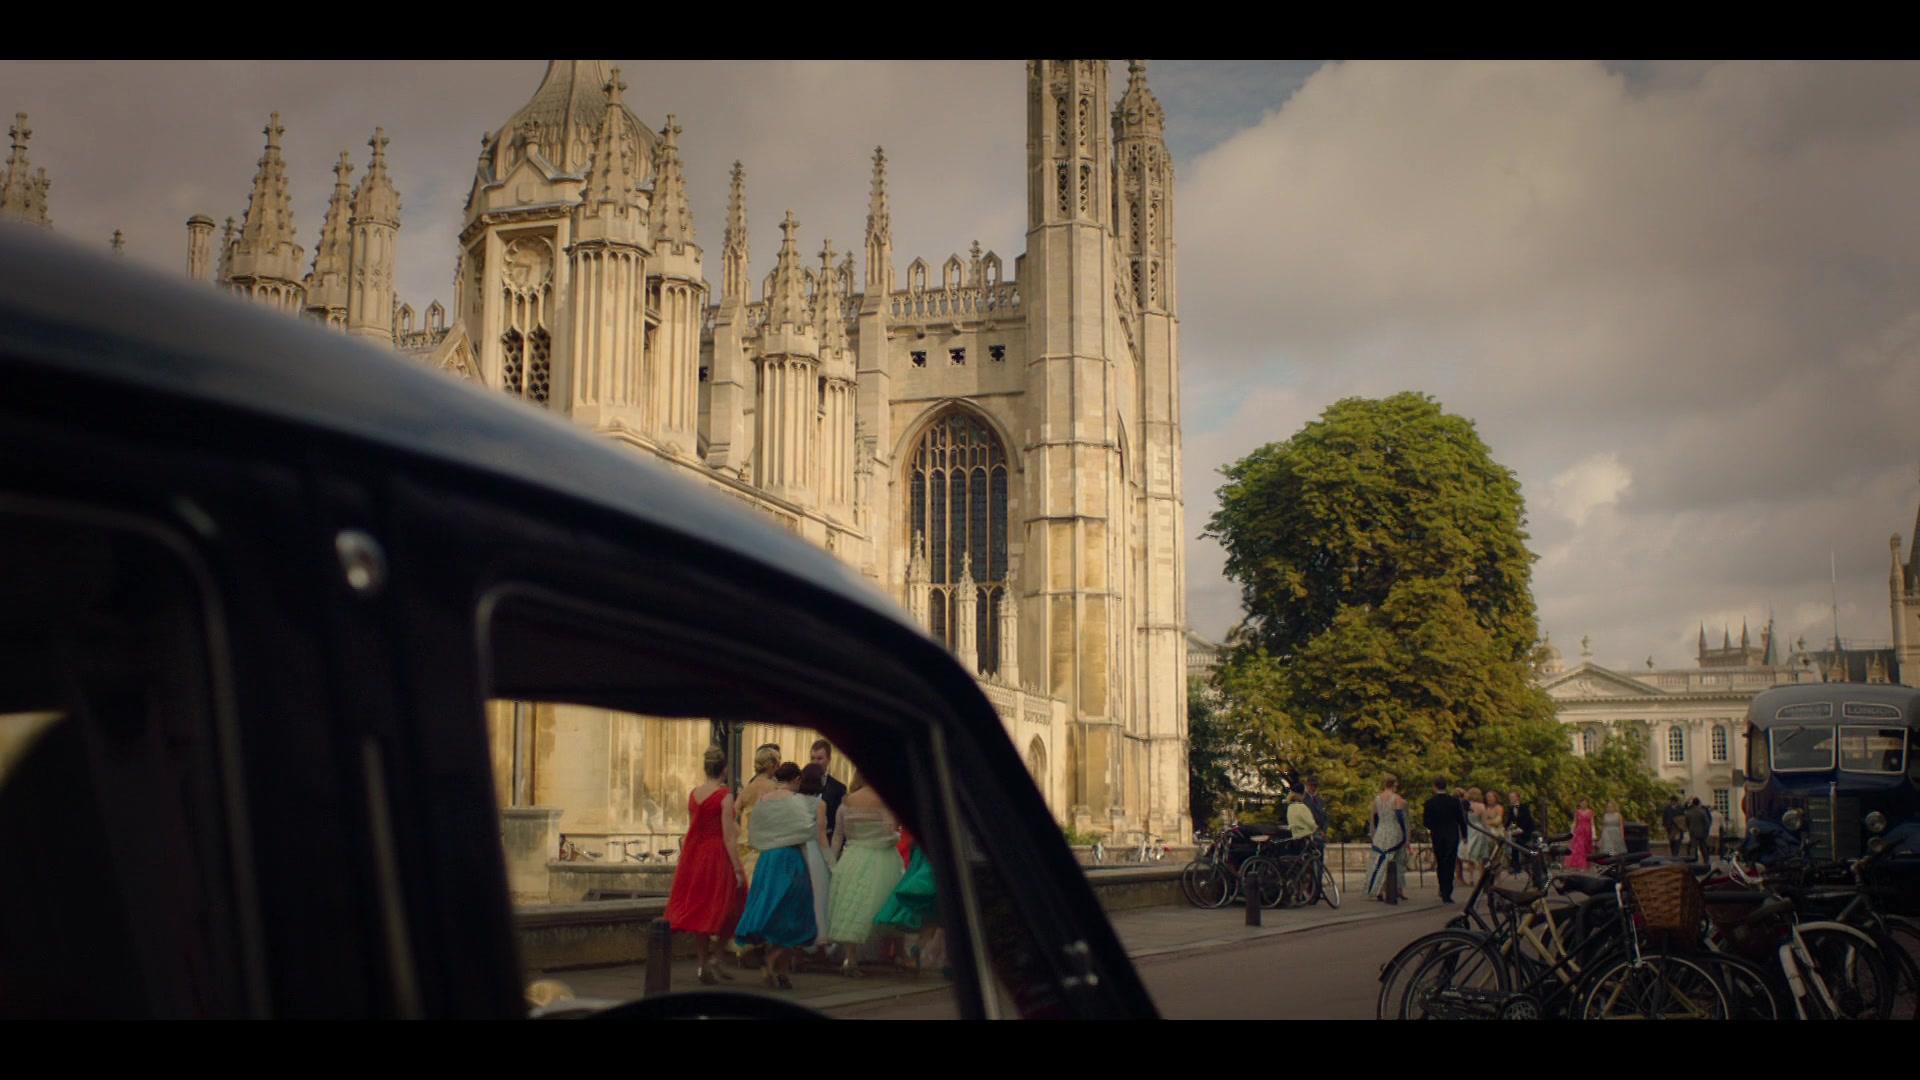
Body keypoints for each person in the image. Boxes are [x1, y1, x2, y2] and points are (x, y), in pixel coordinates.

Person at [733, 762, 824, 990]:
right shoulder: (797, 801)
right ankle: (773, 961)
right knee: (794, 914)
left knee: (776, 911)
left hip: (767, 859)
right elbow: (807, 831)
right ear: (795, 779)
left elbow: (755, 829)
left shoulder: (764, 800)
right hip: (790, 859)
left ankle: (782, 973)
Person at [662, 747, 747, 985]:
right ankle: (716, 957)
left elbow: (694, 828)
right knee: (732, 905)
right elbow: (729, 837)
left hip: (695, 856)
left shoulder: (693, 794)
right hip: (717, 854)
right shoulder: (724, 796)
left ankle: (702, 963)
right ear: (725, 770)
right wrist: (738, 870)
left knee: (701, 908)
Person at [825, 770, 904, 976]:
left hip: (853, 856)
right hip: (882, 856)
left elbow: (839, 835)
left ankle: (850, 957)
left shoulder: (848, 800)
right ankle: (899, 953)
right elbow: (889, 832)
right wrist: (897, 837)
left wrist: (833, 863)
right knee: (890, 906)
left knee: (852, 907)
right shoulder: (884, 799)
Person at [793, 763, 835, 962]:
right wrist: (831, 862)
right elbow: (821, 835)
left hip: (796, 850)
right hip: (814, 853)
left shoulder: (793, 801)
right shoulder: (820, 804)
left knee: (799, 898)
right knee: (819, 898)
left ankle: (797, 946)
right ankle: (819, 944)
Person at [1423, 777, 1470, 905]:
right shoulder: (1454, 801)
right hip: (1451, 835)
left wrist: (1434, 827)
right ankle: (1447, 891)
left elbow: (1426, 822)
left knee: (1440, 862)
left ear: (1435, 787)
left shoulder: (1429, 803)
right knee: (1450, 863)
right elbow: (1461, 819)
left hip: (1437, 835)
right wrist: (1464, 835)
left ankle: (1442, 887)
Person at [1364, 775, 1410, 903]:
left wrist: (1374, 833)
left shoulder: (1377, 799)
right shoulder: (1397, 799)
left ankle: (1376, 889)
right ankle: (1396, 890)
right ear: (1394, 785)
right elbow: (1400, 817)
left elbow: (1374, 817)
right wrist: (1405, 834)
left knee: (1378, 860)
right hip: (1394, 830)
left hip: (1381, 831)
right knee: (1394, 860)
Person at [810, 738, 849, 838]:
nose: (815, 762)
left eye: (819, 758)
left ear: (829, 759)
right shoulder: (799, 783)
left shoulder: (839, 788)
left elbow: (839, 824)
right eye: (812, 758)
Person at [1567, 798, 1595, 870]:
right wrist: (1572, 832)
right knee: (1579, 847)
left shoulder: (1590, 812)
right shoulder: (1577, 812)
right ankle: (1580, 865)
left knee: (1586, 848)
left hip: (1587, 832)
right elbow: (1575, 822)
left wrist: (1594, 834)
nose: (1583, 804)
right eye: (1582, 803)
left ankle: (1586, 864)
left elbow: (1592, 823)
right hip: (1579, 831)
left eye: (1585, 803)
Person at [1685, 797, 1712, 862]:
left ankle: (1693, 860)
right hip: (1702, 833)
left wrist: (1690, 829)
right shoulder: (1702, 812)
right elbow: (1707, 823)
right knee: (1703, 847)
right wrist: (1706, 831)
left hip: (1693, 832)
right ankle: (1706, 860)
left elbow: (1687, 823)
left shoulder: (1689, 812)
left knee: (1693, 847)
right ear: (1699, 803)